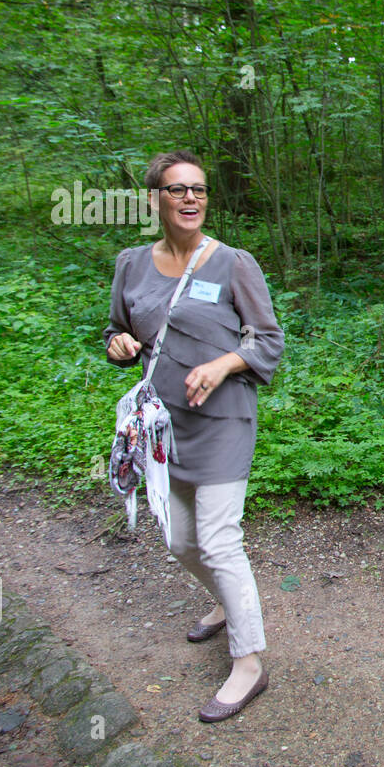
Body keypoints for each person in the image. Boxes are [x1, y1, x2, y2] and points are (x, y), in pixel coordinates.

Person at [103, 150, 284, 722]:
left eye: (199, 190)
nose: (190, 199)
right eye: (178, 190)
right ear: (155, 199)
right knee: (181, 541)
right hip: (165, 428)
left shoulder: (232, 263)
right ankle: (227, 605)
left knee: (218, 537)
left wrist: (225, 363)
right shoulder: (132, 264)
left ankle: (249, 661)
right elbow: (118, 327)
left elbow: (268, 340)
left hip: (225, 419)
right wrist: (118, 345)